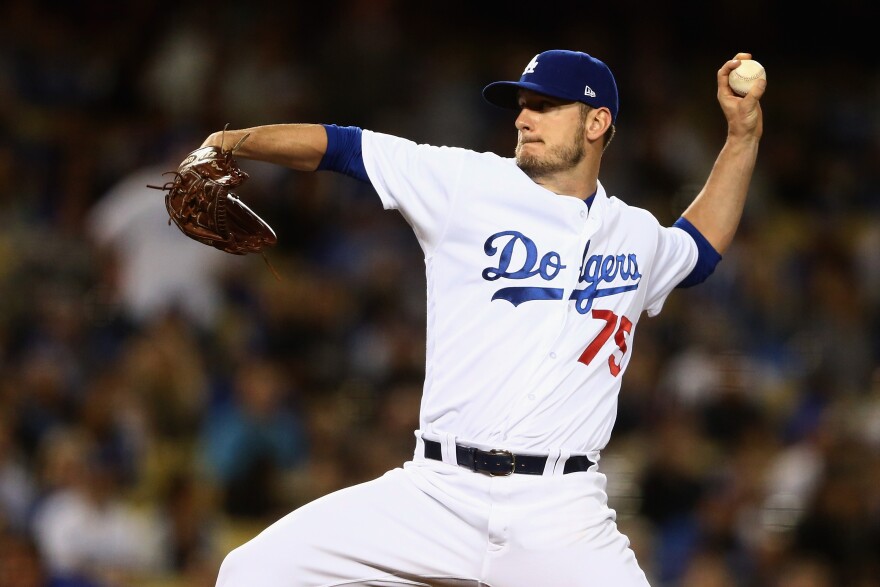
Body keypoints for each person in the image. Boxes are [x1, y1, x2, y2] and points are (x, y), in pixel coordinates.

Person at [201, 49, 765, 586]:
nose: (523, 119)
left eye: (544, 106)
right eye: (521, 106)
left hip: (561, 514)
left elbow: (697, 251)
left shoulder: (636, 234)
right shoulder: (466, 183)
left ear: (596, 123)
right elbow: (344, 147)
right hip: (439, 493)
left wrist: (743, 136)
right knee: (252, 571)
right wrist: (232, 141)